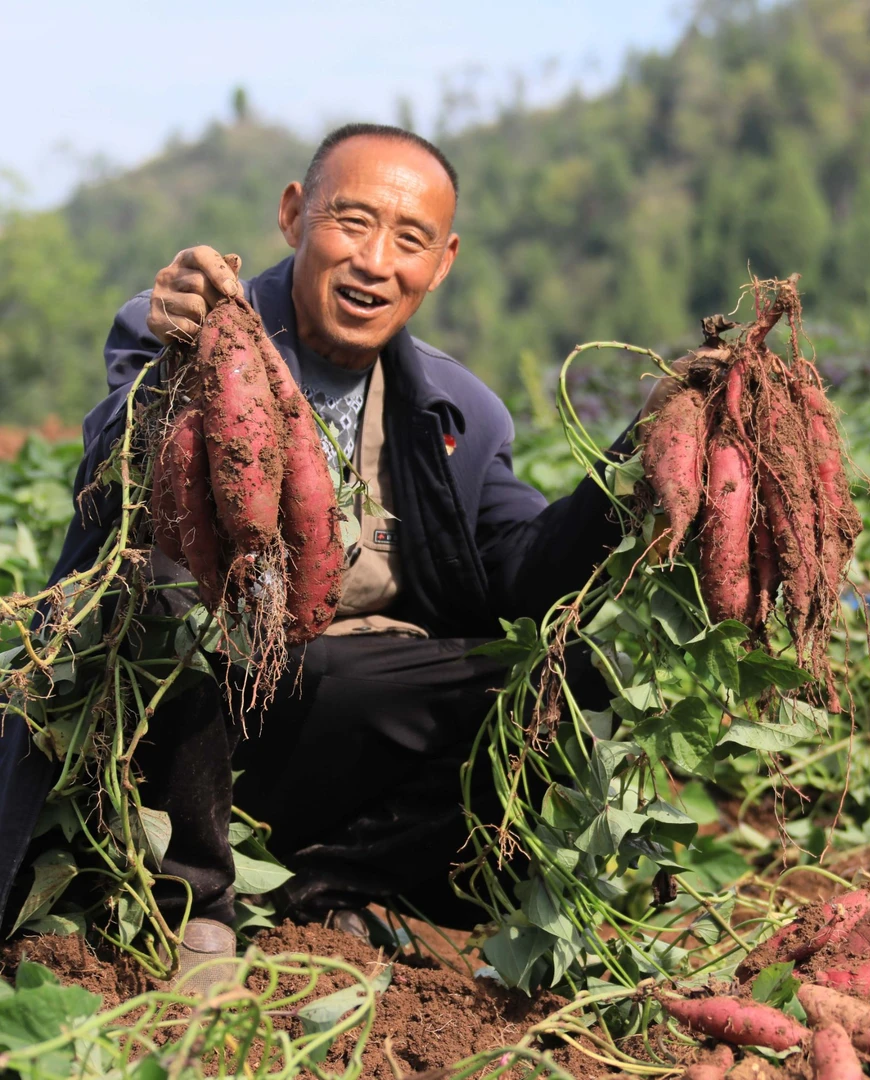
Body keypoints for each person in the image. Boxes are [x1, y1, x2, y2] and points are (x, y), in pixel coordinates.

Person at [0, 124, 668, 967]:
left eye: (410, 239)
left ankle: (333, 885)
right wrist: (180, 366)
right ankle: (193, 905)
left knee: (565, 678)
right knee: (168, 573)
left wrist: (637, 465)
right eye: (351, 222)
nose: (375, 261)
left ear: (444, 261)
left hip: (328, 706)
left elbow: (522, 571)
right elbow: (110, 481)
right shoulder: (184, 326)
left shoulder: (462, 411)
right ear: (292, 215)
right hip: (174, 713)